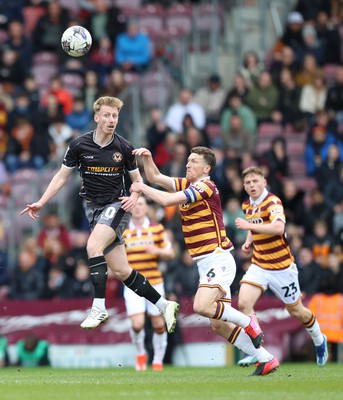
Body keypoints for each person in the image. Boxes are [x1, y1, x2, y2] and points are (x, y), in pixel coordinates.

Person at [20, 96, 179, 333]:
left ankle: (98, 307)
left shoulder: (124, 147)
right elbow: (61, 176)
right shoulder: (78, 145)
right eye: (106, 115)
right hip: (93, 209)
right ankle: (164, 304)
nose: (111, 119)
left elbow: (137, 181)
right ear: (96, 117)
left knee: (92, 246)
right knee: (122, 271)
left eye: (115, 116)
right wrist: (41, 202)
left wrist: (135, 197)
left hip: (117, 206)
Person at [131, 146, 280, 376]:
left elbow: (168, 201)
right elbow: (155, 177)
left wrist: (142, 189)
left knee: (201, 306)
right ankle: (266, 358)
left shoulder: (205, 186)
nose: (188, 164)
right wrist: (148, 159)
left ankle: (248, 322)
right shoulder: (188, 184)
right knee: (218, 324)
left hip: (217, 258)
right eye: (188, 160)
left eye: (193, 161)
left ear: (206, 168)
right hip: (207, 263)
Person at [234, 166, 328, 367]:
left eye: (255, 181)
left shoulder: (273, 202)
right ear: (244, 185)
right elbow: (254, 224)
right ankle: (257, 351)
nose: (252, 185)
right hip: (259, 264)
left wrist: (249, 227)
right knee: (243, 303)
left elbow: (278, 228)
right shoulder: (246, 205)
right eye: (248, 182)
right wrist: (249, 241)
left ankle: (319, 340)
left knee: (297, 311)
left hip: (282, 268)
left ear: (264, 182)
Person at [123, 196, 175, 371]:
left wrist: (158, 250)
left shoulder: (157, 229)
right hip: (133, 284)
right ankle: (140, 353)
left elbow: (171, 253)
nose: (137, 208)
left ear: (147, 209)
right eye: (135, 205)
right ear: (130, 208)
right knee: (137, 324)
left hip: (154, 282)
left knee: (159, 324)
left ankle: (158, 360)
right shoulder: (123, 231)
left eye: (141, 204)